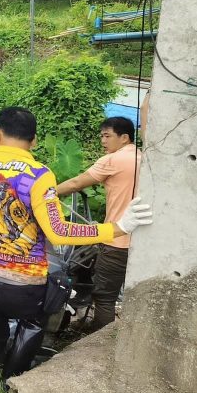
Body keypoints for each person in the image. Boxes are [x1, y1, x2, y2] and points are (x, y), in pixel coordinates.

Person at [0, 107, 153, 393]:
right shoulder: (39, 175)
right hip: (25, 285)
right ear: (34, 141)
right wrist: (116, 227)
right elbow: (58, 230)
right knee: (31, 326)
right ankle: (13, 387)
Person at [55, 117, 142, 330]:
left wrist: (47, 193)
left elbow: (77, 182)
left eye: (107, 136)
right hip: (143, 241)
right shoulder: (144, 158)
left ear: (124, 138)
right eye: (101, 136)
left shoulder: (112, 160)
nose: (103, 141)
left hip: (117, 240)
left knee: (104, 296)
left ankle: (98, 340)